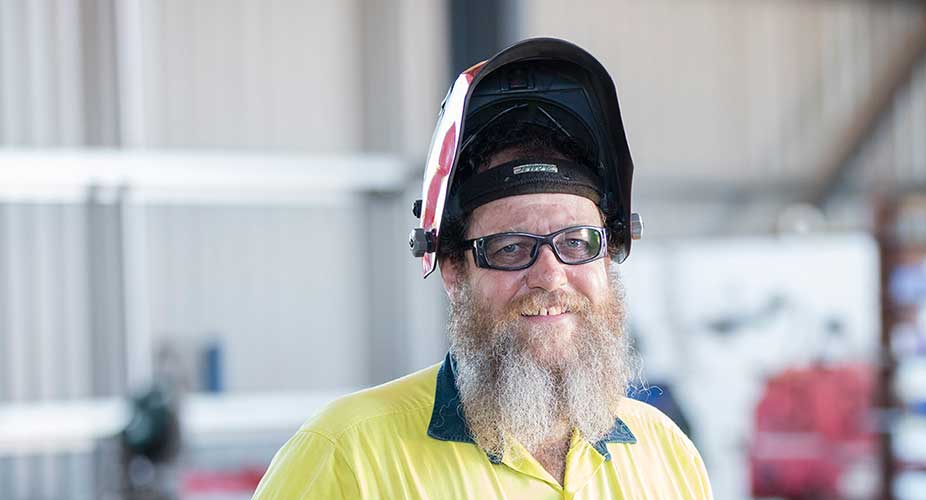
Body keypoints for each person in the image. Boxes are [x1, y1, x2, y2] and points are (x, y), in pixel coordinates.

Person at [253, 38, 711, 498]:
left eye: (576, 243)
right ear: (453, 270)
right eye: (511, 248)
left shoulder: (666, 453)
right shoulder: (348, 457)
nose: (550, 276)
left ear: (608, 256)